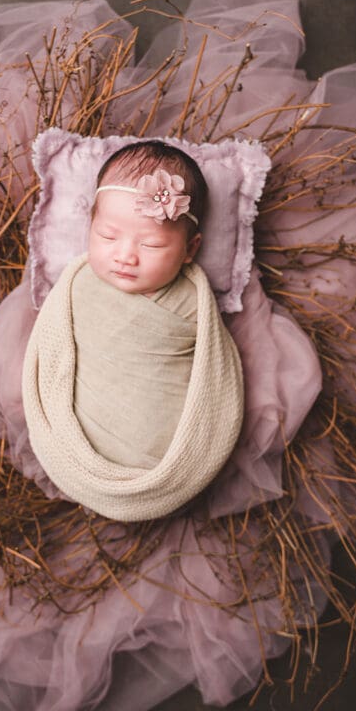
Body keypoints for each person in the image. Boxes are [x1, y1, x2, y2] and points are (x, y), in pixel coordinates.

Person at [21, 140, 246, 521]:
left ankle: (152, 489)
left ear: (190, 249)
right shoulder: (78, 284)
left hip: (167, 463)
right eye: (108, 236)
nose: (126, 255)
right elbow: (52, 354)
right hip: (80, 450)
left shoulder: (193, 302)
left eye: (152, 243)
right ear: (90, 227)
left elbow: (218, 375)